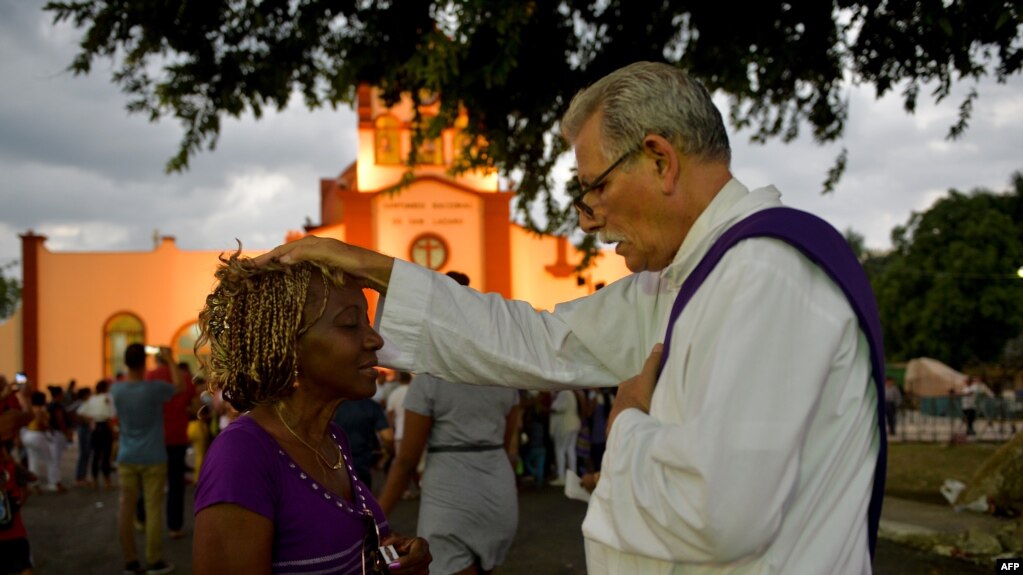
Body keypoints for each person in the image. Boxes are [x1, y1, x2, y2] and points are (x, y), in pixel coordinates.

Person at [258, 61, 885, 573]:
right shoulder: (688, 279)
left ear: (661, 160)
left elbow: (718, 513)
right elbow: (541, 339)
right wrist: (368, 266)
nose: (588, 220)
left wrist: (629, 425)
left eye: (594, 190)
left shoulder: (764, 276)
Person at [192, 251, 430, 575]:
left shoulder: (331, 439)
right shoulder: (242, 456)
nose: (375, 340)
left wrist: (392, 557)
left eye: (368, 322)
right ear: (289, 345)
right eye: (350, 324)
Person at [377, 271, 520, 575]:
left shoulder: (431, 377)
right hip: (498, 488)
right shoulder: (501, 373)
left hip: (450, 493)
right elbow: (510, 440)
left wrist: (379, 517)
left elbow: (406, 461)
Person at [111, 344, 185, 575]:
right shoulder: (154, 389)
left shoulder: (117, 390)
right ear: (144, 363)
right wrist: (170, 360)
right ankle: (154, 560)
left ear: (126, 362)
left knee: (126, 509)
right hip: (153, 455)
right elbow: (180, 387)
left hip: (126, 455)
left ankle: (131, 561)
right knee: (154, 509)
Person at [140, 358, 195, 540]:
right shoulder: (184, 377)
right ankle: (174, 526)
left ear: (156, 359)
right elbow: (192, 403)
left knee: (149, 481)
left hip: (154, 436)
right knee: (176, 484)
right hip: (177, 436)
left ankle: (142, 518)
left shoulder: (149, 376)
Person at [332, 397, 392, 491]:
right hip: (362, 463)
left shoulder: (332, 405)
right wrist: (388, 452)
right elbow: (388, 437)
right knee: (363, 500)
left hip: (336, 463)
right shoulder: (371, 406)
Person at [77, 380, 116, 489]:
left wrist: (90, 421)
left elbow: (80, 412)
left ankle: (95, 479)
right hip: (105, 426)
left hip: (95, 427)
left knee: (96, 454)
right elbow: (112, 413)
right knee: (106, 454)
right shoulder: (107, 397)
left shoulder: (92, 399)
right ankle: (107, 480)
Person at [548, 389, 580, 487]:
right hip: (574, 423)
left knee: (560, 450)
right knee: (570, 450)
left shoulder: (564, 392)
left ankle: (561, 477)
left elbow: (558, 408)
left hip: (564, 425)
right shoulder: (572, 392)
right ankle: (573, 476)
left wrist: (551, 407)